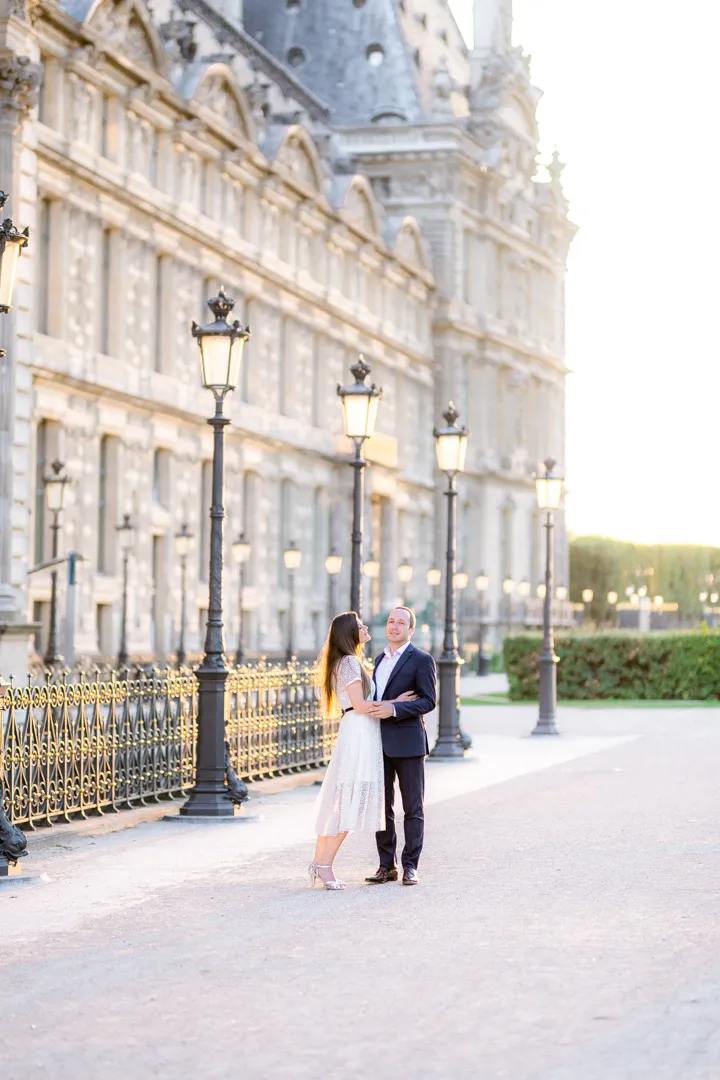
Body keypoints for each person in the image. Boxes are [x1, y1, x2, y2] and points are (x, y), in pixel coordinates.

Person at [310, 611, 417, 890]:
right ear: (349, 633)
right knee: (350, 802)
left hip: (358, 730)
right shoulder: (348, 661)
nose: (366, 627)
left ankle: (320, 862)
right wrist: (396, 701)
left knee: (344, 799)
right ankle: (324, 865)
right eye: (359, 626)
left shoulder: (348, 660)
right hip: (358, 730)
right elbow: (359, 706)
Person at [365, 607, 437, 887]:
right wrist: (391, 703)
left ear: (411, 630)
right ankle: (386, 866)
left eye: (401, 623)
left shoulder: (421, 659)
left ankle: (410, 866)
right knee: (382, 808)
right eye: (391, 622)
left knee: (413, 807)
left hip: (408, 743)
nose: (394, 626)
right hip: (378, 742)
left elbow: (428, 701)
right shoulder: (379, 660)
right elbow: (377, 699)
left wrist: (394, 709)